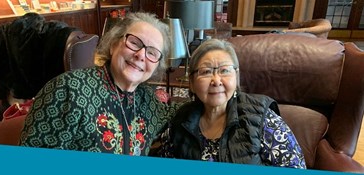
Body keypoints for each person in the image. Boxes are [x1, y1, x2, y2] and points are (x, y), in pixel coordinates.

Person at [19, 12, 179, 156]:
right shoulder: (68, 89)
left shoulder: (147, 101)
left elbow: (178, 113)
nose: (141, 55)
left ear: (157, 65)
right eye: (134, 43)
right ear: (113, 45)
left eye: (152, 52)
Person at [153, 39, 306, 168]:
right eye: (206, 72)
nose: (216, 81)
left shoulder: (261, 117)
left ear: (236, 77)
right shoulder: (180, 121)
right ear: (192, 83)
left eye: (224, 70)